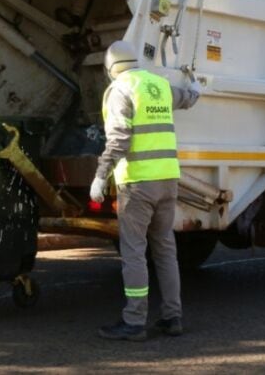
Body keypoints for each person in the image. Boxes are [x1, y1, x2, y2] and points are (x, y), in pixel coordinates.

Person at [91, 40, 201, 341]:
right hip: (168, 179)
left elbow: (119, 139)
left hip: (138, 183)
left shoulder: (120, 90)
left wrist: (100, 176)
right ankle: (172, 317)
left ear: (110, 67)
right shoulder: (159, 85)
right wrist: (195, 87)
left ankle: (135, 321)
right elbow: (188, 98)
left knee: (134, 252)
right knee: (165, 249)